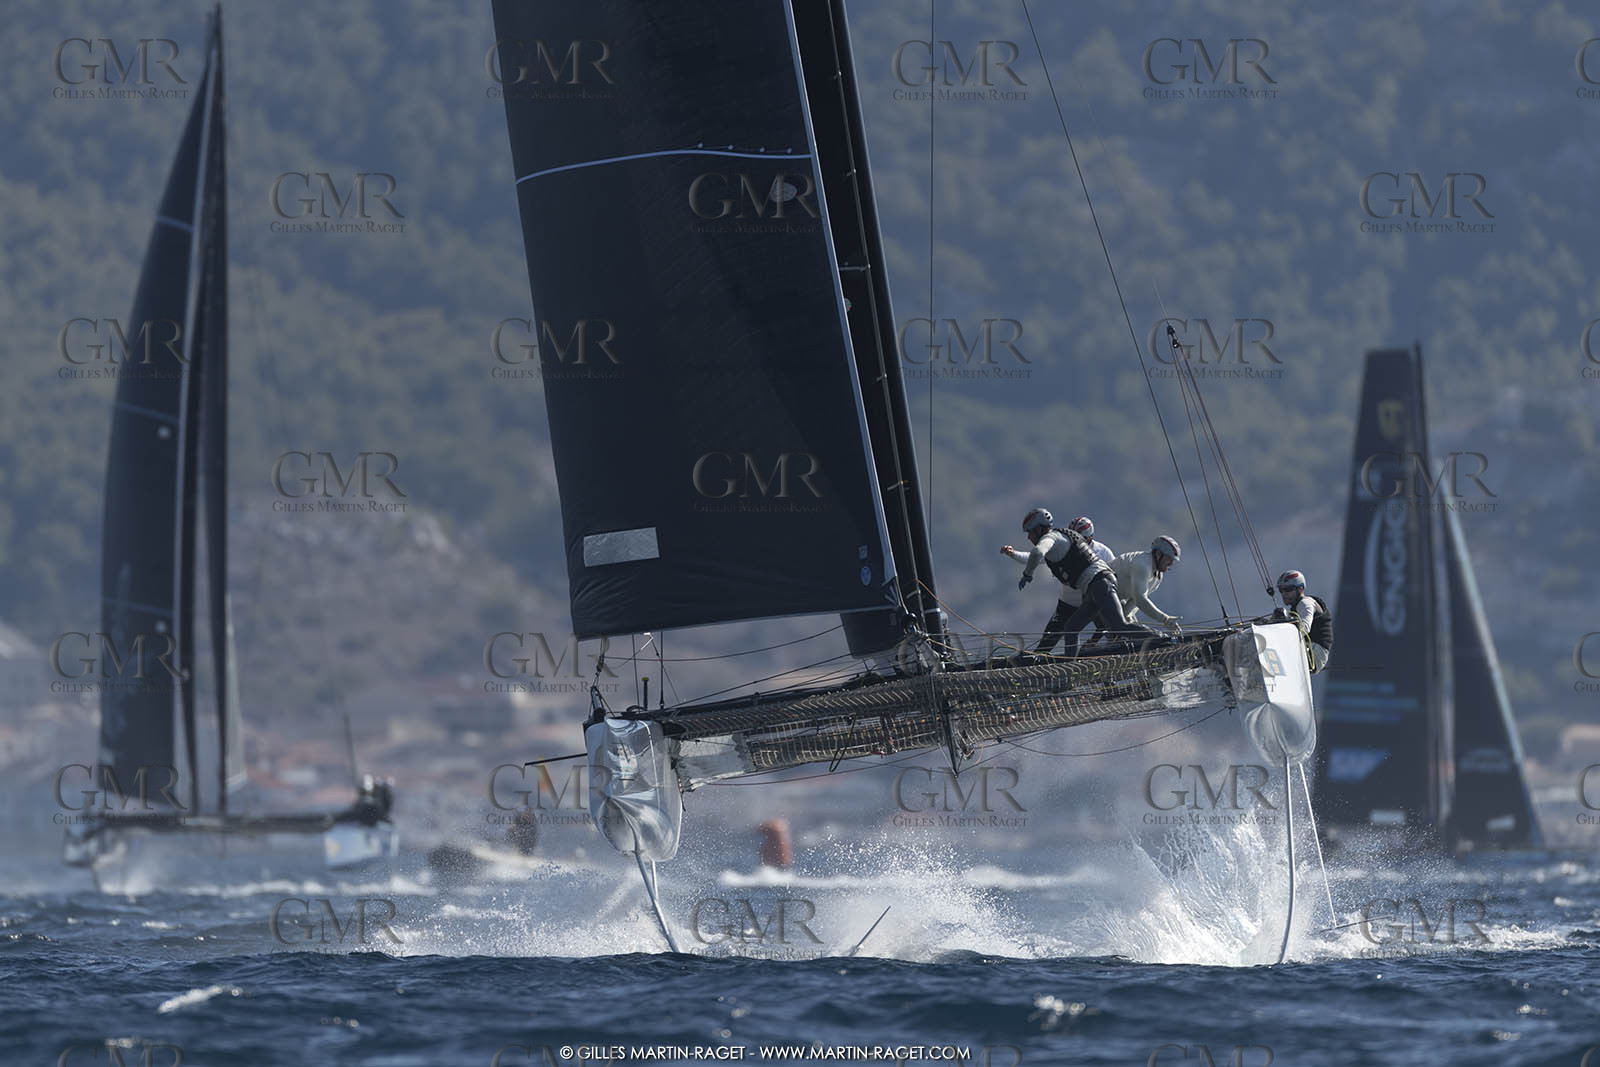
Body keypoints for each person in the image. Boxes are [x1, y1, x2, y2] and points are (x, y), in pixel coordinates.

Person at [1003, 507, 1142, 654]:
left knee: (1115, 630)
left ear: (1090, 538)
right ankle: (1064, 663)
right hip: (1068, 603)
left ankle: (1141, 645)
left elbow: (1113, 583)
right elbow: (1036, 556)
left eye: (1082, 539)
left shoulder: (1103, 552)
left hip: (1092, 596)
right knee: (1048, 641)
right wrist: (1013, 554)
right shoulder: (1062, 544)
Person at [1111, 536, 1183, 634]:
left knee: (1127, 629)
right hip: (1096, 591)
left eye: (1173, 560)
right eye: (1169, 559)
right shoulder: (1143, 565)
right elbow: (1140, 599)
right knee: (1123, 627)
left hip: (1114, 597)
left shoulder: (1157, 577)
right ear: (1158, 554)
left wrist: (1127, 618)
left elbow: (1134, 602)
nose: (1171, 563)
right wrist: (1165, 620)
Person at [1276, 570, 1332, 672]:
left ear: (1300, 588)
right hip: (1312, 652)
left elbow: (1304, 628)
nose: (1284, 594)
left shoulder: (1305, 603)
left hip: (1315, 655)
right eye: (1281, 590)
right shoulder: (1297, 606)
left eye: (1288, 589)